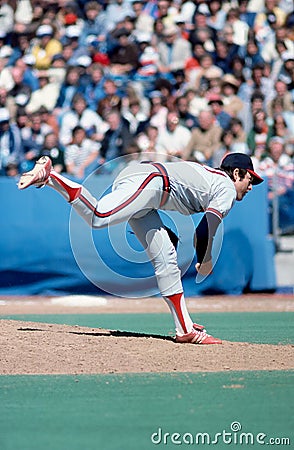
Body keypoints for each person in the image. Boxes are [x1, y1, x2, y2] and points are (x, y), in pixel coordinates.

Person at [18, 152, 264, 345]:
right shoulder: (227, 187)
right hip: (152, 181)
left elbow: (200, 227)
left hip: (150, 184)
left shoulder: (214, 180)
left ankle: (185, 329)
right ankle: (51, 177)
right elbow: (204, 230)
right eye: (250, 179)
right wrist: (206, 259)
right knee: (99, 216)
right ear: (237, 172)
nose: (251, 186)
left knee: (166, 257)